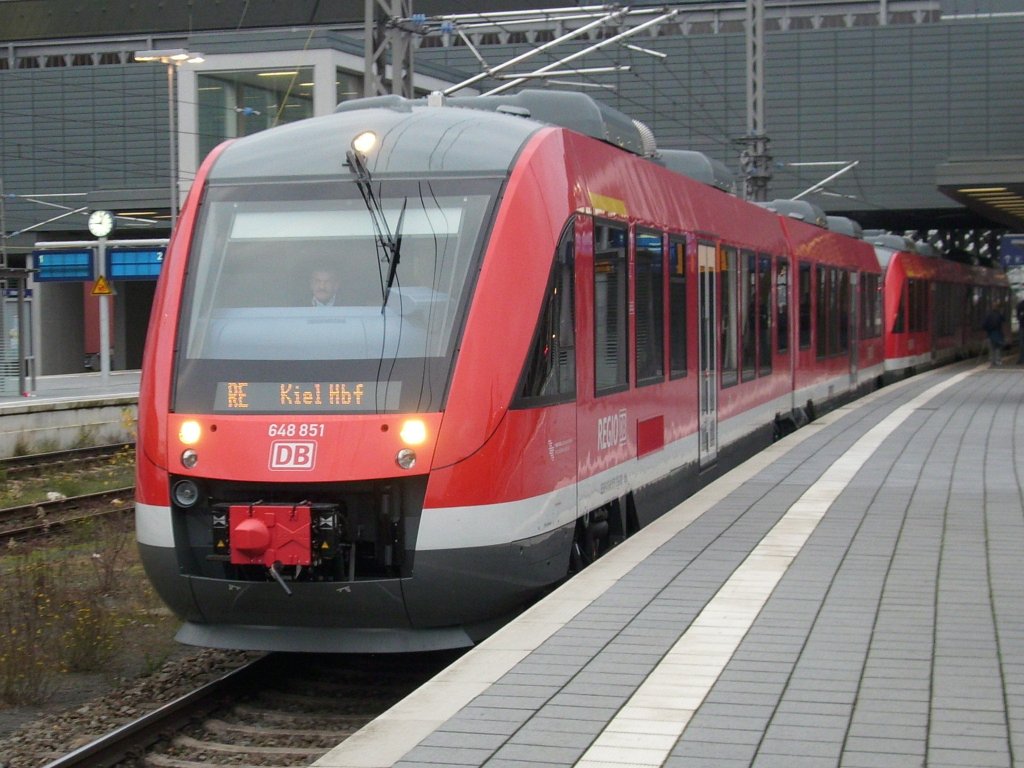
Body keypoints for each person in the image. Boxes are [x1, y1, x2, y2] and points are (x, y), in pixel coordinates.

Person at [1016, 297, 1024, 364]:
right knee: (1021, 344)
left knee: (1021, 344)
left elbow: (1018, 316)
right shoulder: (1020, 305)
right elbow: (1018, 316)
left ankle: (1021, 359)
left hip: (1022, 326)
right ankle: (1021, 359)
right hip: (1022, 326)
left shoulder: (1020, 304)